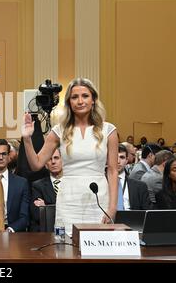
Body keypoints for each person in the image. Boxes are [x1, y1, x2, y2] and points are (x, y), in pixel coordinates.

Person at [22, 78, 119, 233]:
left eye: (85, 96)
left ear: (93, 99)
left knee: (98, 248)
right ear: (69, 102)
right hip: (68, 199)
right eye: (74, 97)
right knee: (66, 248)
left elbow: (113, 171)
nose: (80, 101)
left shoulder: (109, 130)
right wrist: (27, 139)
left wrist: (113, 207)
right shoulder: (59, 131)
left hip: (99, 198)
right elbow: (36, 164)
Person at [30, 149, 63, 231]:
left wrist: (47, 207)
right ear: (45, 164)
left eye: (56, 158)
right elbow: (37, 215)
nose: (53, 162)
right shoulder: (37, 186)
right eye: (49, 159)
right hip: (47, 232)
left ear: (63, 161)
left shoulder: (71, 183)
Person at [116, 144, 151, 210]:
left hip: (132, 219)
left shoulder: (140, 186)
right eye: (114, 157)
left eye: (122, 157)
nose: (118, 161)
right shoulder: (99, 184)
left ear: (126, 160)